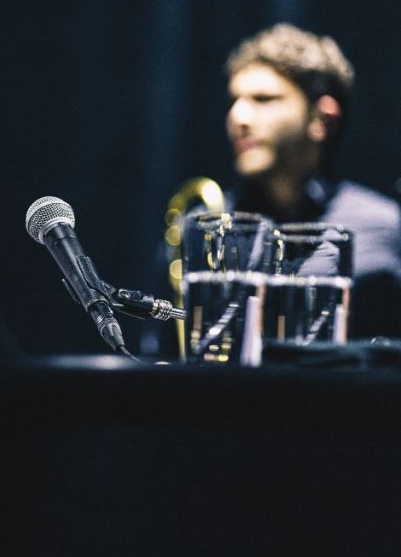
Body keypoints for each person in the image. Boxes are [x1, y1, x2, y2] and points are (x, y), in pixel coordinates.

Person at [143, 23, 401, 356]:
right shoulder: (201, 228)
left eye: (264, 99)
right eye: (234, 100)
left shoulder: (388, 228)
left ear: (323, 119)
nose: (238, 117)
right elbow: (162, 361)